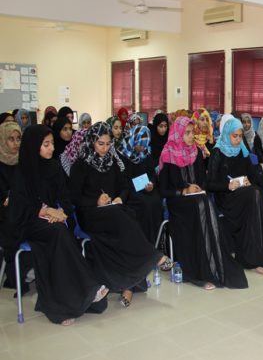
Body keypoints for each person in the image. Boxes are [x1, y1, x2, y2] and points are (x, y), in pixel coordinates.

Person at [10, 125, 109, 325]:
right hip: (28, 223)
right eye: (46, 144)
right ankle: (84, 290)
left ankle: (74, 298)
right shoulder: (22, 172)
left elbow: (65, 196)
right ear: (33, 146)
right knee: (57, 233)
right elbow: (19, 209)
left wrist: (62, 213)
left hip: (54, 221)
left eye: (52, 143)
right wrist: (46, 210)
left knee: (60, 231)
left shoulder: (54, 167)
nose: (52, 148)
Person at [70, 122, 170, 307]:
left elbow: (124, 187)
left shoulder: (112, 162)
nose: (105, 148)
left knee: (128, 218)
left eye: (108, 144)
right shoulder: (81, 164)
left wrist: (119, 198)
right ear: (92, 142)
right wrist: (95, 201)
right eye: (101, 143)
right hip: (90, 214)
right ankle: (153, 257)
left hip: (113, 211)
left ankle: (129, 286)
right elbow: (74, 197)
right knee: (124, 219)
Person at [158, 117, 248, 290]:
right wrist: (184, 191)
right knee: (200, 204)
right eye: (188, 133)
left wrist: (198, 189)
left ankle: (216, 266)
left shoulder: (196, 152)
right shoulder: (168, 153)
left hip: (196, 198)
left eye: (193, 132)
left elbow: (204, 182)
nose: (192, 136)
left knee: (204, 202)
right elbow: (163, 190)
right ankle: (198, 271)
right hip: (178, 203)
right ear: (178, 134)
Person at [206, 118, 263, 275]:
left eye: (239, 136)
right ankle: (254, 259)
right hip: (226, 198)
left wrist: (250, 180)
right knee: (255, 196)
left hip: (245, 195)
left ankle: (261, 255)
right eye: (234, 136)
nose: (237, 140)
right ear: (227, 135)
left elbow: (254, 175)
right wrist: (227, 185)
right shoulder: (217, 152)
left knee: (256, 195)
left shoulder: (242, 150)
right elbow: (210, 184)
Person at [119, 125, 162, 245]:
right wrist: (137, 187)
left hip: (146, 189)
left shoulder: (146, 153)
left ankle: (157, 242)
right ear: (134, 140)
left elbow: (152, 174)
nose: (142, 148)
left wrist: (152, 184)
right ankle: (144, 242)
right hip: (130, 191)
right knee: (145, 204)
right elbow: (123, 180)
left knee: (157, 201)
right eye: (140, 144)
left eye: (145, 145)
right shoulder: (123, 155)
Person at [0, 122, 24, 289]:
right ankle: (16, 274)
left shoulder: (23, 162)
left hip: (21, 210)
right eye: (11, 139)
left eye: (18, 139)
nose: (16, 143)